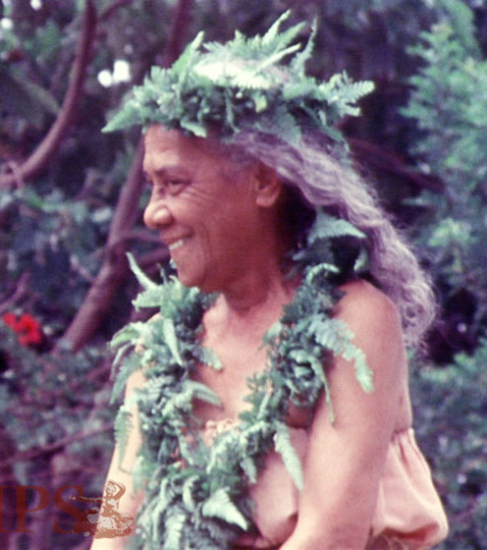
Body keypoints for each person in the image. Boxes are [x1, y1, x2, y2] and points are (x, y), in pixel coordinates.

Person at [91, 13, 448, 550]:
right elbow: (114, 529)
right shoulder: (163, 348)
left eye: (174, 184)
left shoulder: (355, 321)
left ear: (262, 182)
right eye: (151, 186)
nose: (152, 214)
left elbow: (331, 536)